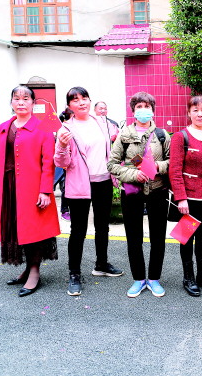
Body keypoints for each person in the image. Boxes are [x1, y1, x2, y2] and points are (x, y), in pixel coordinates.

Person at [0, 85, 60, 297]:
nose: (21, 102)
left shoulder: (43, 129)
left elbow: (48, 163)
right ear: (11, 102)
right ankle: (27, 269)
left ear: (33, 103)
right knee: (16, 229)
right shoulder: (3, 128)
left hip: (32, 188)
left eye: (25, 98)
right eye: (16, 98)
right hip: (8, 188)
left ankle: (34, 272)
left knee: (34, 230)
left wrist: (45, 191)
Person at [54, 87, 124, 297]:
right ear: (69, 106)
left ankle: (101, 264)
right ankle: (74, 273)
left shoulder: (101, 123)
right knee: (78, 230)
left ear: (90, 101)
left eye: (84, 98)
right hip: (79, 184)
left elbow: (113, 145)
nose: (81, 102)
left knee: (103, 226)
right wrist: (62, 146)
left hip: (103, 181)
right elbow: (62, 162)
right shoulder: (66, 129)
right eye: (75, 100)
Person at [108, 91, 171, 298]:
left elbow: (172, 161)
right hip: (132, 192)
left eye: (147, 107)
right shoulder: (124, 136)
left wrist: (158, 167)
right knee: (133, 238)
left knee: (158, 238)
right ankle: (138, 279)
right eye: (139, 107)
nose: (144, 110)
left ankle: (154, 278)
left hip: (157, 191)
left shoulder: (162, 135)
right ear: (133, 111)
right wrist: (134, 174)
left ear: (153, 110)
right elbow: (112, 164)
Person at [169, 95, 202, 297]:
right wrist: (181, 198)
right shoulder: (180, 136)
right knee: (186, 237)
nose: (200, 114)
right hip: (188, 197)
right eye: (195, 110)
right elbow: (174, 170)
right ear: (189, 113)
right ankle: (188, 277)